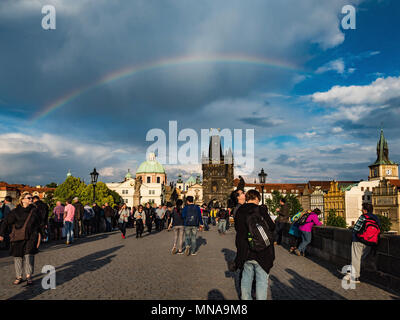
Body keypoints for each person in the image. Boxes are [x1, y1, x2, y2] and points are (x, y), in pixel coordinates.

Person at [233, 189, 275, 300]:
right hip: (262, 251)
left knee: (246, 278)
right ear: (256, 198)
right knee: (261, 280)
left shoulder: (239, 210)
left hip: (246, 251)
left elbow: (238, 230)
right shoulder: (260, 209)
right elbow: (272, 227)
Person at [0, 192, 41, 285]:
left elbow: (39, 223)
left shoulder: (35, 210)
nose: (31, 200)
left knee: (29, 255)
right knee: (18, 257)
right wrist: (1, 234)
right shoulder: (15, 211)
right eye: (29, 198)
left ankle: (28, 276)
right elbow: (6, 222)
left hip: (31, 237)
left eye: (31, 198)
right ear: (22, 200)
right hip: (18, 237)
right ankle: (19, 276)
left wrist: (41, 234)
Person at [343, 203, 381, 284]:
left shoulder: (363, 217)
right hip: (370, 242)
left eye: (362, 209)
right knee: (360, 258)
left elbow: (356, 228)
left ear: (365, 210)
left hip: (358, 240)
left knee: (356, 258)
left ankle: (355, 277)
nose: (362, 211)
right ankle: (349, 273)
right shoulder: (376, 218)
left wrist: (354, 232)